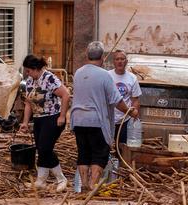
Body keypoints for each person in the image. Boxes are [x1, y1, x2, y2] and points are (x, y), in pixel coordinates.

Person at [69, 41, 130, 192]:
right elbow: (116, 100)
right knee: (99, 153)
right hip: (96, 121)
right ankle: (92, 185)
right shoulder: (104, 75)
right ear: (102, 57)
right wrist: (129, 111)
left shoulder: (78, 73)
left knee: (83, 152)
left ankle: (83, 184)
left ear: (86, 56)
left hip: (78, 120)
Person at [18, 55, 71, 191]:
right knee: (41, 148)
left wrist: (62, 116)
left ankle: (61, 179)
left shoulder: (49, 78)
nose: (27, 74)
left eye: (29, 71)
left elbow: (65, 95)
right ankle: (41, 180)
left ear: (36, 69)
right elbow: (29, 103)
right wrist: (25, 122)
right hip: (39, 119)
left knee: (45, 148)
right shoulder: (30, 81)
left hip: (53, 117)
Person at [108, 49, 141, 151]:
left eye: (122, 59)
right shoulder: (107, 76)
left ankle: (120, 165)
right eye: (117, 59)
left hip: (124, 120)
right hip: (108, 119)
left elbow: (135, 99)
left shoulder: (132, 78)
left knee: (121, 148)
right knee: (105, 147)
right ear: (113, 61)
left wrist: (134, 112)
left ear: (126, 62)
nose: (120, 61)